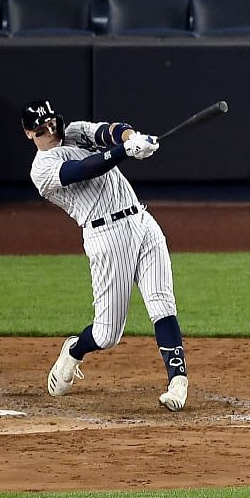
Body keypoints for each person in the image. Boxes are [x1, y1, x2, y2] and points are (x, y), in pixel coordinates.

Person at [21, 100, 188, 411]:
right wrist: (125, 152)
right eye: (43, 129)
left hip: (142, 221)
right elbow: (83, 170)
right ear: (29, 133)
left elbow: (107, 132)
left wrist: (131, 138)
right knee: (107, 334)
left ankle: (177, 381)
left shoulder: (73, 132)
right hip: (105, 237)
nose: (52, 130)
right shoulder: (40, 170)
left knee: (162, 303)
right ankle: (74, 350)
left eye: (54, 123)